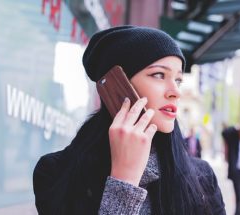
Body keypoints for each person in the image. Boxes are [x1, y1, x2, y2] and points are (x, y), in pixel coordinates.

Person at [33, 25, 226, 215]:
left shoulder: (201, 178)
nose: (175, 92)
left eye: (178, 80)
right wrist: (124, 182)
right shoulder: (56, 172)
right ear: (118, 86)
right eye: (158, 75)